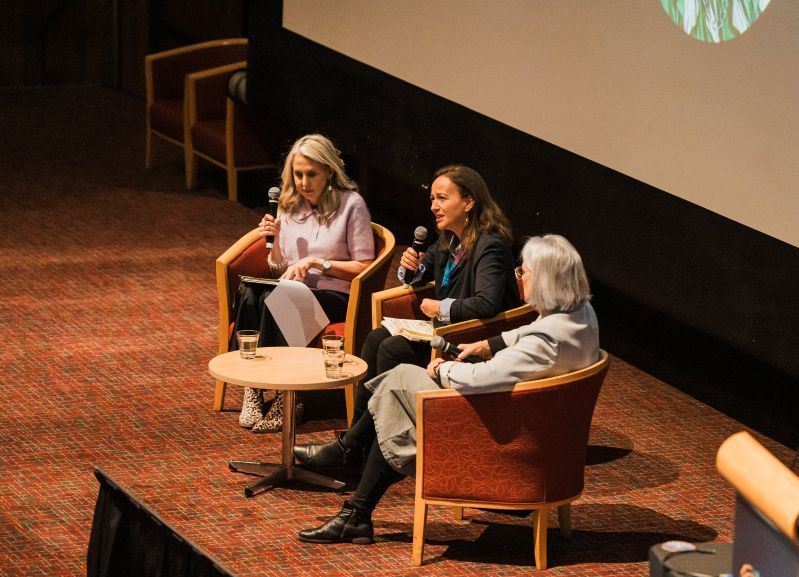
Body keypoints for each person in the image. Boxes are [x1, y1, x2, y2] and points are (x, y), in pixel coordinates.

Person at [297, 234, 600, 544]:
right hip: (533, 427)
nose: (517, 275)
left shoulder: (544, 343)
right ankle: (355, 505)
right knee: (396, 403)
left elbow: (483, 378)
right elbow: (530, 331)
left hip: (503, 437)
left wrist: (443, 369)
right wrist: (487, 343)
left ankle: (350, 468)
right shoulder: (580, 316)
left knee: (398, 382)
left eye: (523, 271)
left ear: (546, 280)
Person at [293, 164, 520, 465]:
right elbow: (419, 279)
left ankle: (366, 449)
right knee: (376, 338)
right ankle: (358, 447)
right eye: (432, 199)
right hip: (442, 331)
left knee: (392, 348)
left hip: (469, 340)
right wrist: (410, 268)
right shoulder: (449, 242)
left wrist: (442, 308)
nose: (434, 206)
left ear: (469, 202)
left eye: (442, 198)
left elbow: (487, 304)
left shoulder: (490, 247)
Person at [234, 134, 375, 431]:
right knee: (250, 291)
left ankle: (291, 396)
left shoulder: (352, 205)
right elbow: (278, 270)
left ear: (329, 172)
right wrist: (272, 243)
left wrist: (316, 263)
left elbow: (364, 267)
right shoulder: (288, 205)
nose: (303, 182)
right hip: (292, 290)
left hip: (336, 297)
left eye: (311, 174)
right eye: (297, 174)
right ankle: (254, 390)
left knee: (283, 295)